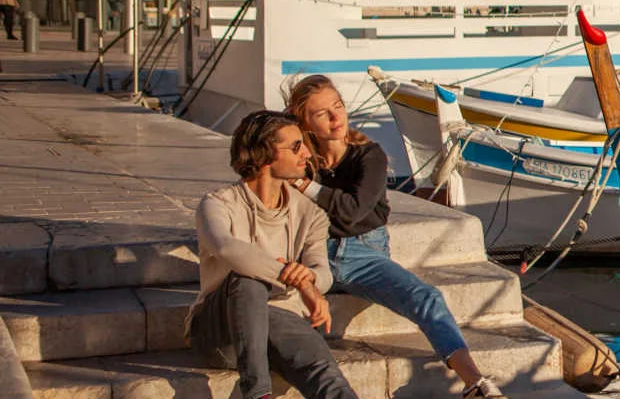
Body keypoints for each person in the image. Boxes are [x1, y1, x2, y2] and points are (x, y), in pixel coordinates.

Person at [285, 76, 507, 398]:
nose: (336, 118)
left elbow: (353, 211)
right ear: (304, 121)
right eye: (322, 114)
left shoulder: (368, 156)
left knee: (427, 297)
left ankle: (475, 383)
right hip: (312, 253)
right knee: (293, 322)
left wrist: (307, 187)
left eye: (338, 106)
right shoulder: (304, 160)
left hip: (364, 256)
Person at [191, 110, 356, 399]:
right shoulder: (217, 205)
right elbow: (228, 249)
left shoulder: (311, 213)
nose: (307, 152)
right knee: (247, 281)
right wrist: (299, 283)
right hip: (220, 332)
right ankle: (256, 393)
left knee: (326, 375)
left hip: (281, 321)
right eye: (295, 146)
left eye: (303, 143)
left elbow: (322, 272)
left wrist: (312, 278)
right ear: (264, 153)